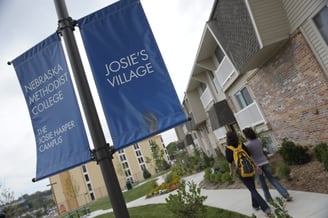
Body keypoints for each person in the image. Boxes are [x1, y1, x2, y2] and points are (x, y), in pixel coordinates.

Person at [225, 131, 272, 217]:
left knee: (252, 189)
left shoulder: (228, 149)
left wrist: (231, 172)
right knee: (252, 188)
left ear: (227, 139)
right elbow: (249, 157)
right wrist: (256, 166)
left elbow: (230, 163)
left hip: (241, 171)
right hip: (250, 169)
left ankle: (266, 209)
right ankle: (255, 205)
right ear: (236, 137)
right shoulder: (241, 145)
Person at [242, 127, 293, 202]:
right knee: (272, 179)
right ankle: (286, 194)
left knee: (263, 183)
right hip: (265, 162)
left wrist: (255, 166)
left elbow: (249, 157)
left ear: (246, 135)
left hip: (257, 165)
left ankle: (269, 199)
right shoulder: (259, 140)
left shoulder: (246, 145)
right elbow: (261, 151)